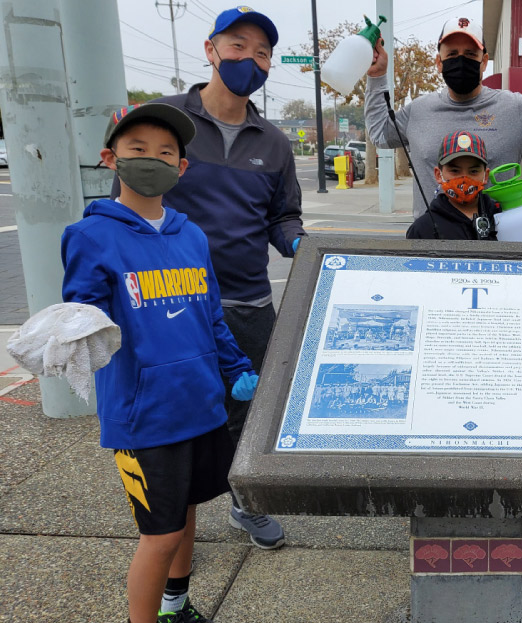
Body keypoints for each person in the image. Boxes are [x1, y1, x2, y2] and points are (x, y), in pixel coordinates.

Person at [62, 103, 260, 623]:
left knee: (188, 512)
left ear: (182, 167)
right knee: (160, 532)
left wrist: (237, 368)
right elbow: (84, 319)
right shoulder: (90, 237)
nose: (153, 159)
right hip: (145, 416)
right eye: (138, 149)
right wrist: (67, 336)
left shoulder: (191, 236)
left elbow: (210, 313)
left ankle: (178, 604)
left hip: (200, 403)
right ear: (111, 158)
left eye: (166, 151)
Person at [152, 5, 303, 549]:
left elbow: (282, 218)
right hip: (173, 304)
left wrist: (301, 246)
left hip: (248, 303)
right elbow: (131, 199)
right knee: (184, 414)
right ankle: (173, 525)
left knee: (250, 411)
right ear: (211, 49)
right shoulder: (164, 121)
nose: (251, 60)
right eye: (238, 46)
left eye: (262, 53)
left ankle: (246, 504)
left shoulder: (275, 142)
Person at [366, 17, 522, 217]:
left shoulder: (514, 109)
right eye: (452, 54)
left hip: (498, 250)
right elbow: (379, 134)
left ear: (484, 61)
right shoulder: (418, 111)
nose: (461, 61)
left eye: (470, 54)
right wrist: (377, 77)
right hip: (433, 248)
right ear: (439, 62)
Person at [407, 130, 522, 241]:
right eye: (454, 170)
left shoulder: (507, 213)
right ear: (438, 175)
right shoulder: (423, 228)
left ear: (485, 176)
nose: (464, 178)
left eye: (474, 171)